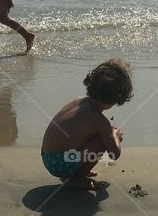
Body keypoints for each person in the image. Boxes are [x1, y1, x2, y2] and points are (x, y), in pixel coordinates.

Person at [40, 59, 132, 190]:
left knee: (94, 134)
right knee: (102, 139)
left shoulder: (78, 101)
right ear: (118, 98)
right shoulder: (99, 120)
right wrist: (115, 135)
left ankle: (76, 170)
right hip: (59, 163)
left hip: (47, 156)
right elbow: (114, 154)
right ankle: (78, 178)